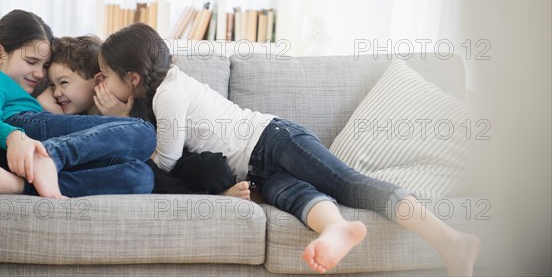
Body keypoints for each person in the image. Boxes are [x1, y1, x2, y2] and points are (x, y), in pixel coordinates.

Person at [99, 22, 482, 276]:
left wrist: (120, 115)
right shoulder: (164, 90)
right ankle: (339, 228)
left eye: (108, 76)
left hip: (273, 139)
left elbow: (166, 159)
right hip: (258, 169)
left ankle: (451, 240)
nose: (103, 83)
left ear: (132, 78)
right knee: (297, 197)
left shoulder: (169, 94)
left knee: (350, 185)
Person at [0, 10, 155, 199]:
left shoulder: (38, 98)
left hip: (26, 157)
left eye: (44, 65)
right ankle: (52, 157)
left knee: (141, 176)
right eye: (31, 61)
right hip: (20, 133)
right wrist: (14, 136)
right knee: (144, 132)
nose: (40, 74)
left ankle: (22, 184)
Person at [37, 35, 249, 198]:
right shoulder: (73, 113)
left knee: (213, 169)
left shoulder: (137, 100)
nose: (55, 93)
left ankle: (215, 192)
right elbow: (38, 107)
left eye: (63, 83)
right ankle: (213, 198)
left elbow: (161, 148)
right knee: (144, 173)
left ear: (100, 79)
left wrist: (125, 117)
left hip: (168, 160)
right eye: (52, 85)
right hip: (141, 169)